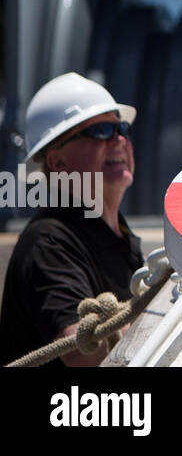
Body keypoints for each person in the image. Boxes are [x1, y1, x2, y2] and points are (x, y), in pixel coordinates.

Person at [0, 73, 141, 367]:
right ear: (57, 162)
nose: (118, 140)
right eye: (101, 130)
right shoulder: (49, 240)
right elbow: (81, 352)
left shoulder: (123, 239)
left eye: (121, 128)